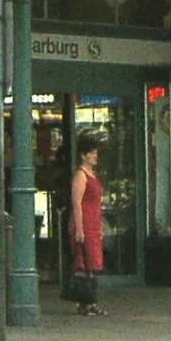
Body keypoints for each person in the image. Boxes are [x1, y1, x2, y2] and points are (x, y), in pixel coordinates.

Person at [68, 130, 106, 316]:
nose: (94, 156)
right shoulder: (80, 175)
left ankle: (90, 301)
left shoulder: (93, 174)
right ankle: (83, 302)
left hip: (93, 222)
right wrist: (79, 228)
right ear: (83, 155)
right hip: (83, 222)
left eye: (95, 152)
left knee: (92, 263)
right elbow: (76, 202)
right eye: (91, 153)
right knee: (83, 262)